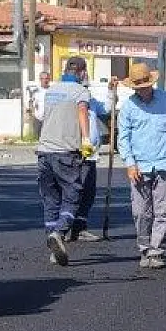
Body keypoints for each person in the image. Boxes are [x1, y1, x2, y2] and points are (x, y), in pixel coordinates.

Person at [116, 62, 166, 269]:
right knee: (140, 212)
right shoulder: (128, 107)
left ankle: (156, 251)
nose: (142, 91)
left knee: (162, 211)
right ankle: (144, 247)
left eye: (145, 86)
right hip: (139, 166)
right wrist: (129, 163)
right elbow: (123, 138)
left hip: (165, 165)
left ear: (151, 84)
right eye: (138, 88)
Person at [36, 57, 93, 266]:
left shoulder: (52, 90)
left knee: (51, 199)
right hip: (66, 152)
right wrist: (86, 139)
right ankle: (59, 232)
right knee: (73, 194)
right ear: (81, 72)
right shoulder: (80, 91)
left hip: (44, 152)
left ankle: (53, 246)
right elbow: (82, 112)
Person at [69, 77, 118, 243]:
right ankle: (67, 227)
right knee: (76, 191)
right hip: (76, 153)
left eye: (87, 88)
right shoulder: (70, 104)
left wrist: (111, 91)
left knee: (89, 192)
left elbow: (107, 109)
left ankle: (80, 227)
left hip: (91, 154)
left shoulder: (93, 102)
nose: (86, 91)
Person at [30, 71, 52, 138]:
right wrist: (32, 113)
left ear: (49, 79)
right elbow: (31, 102)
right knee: (37, 138)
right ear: (40, 79)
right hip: (38, 119)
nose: (45, 80)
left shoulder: (52, 90)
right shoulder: (36, 91)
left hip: (49, 119)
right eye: (43, 78)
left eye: (46, 78)